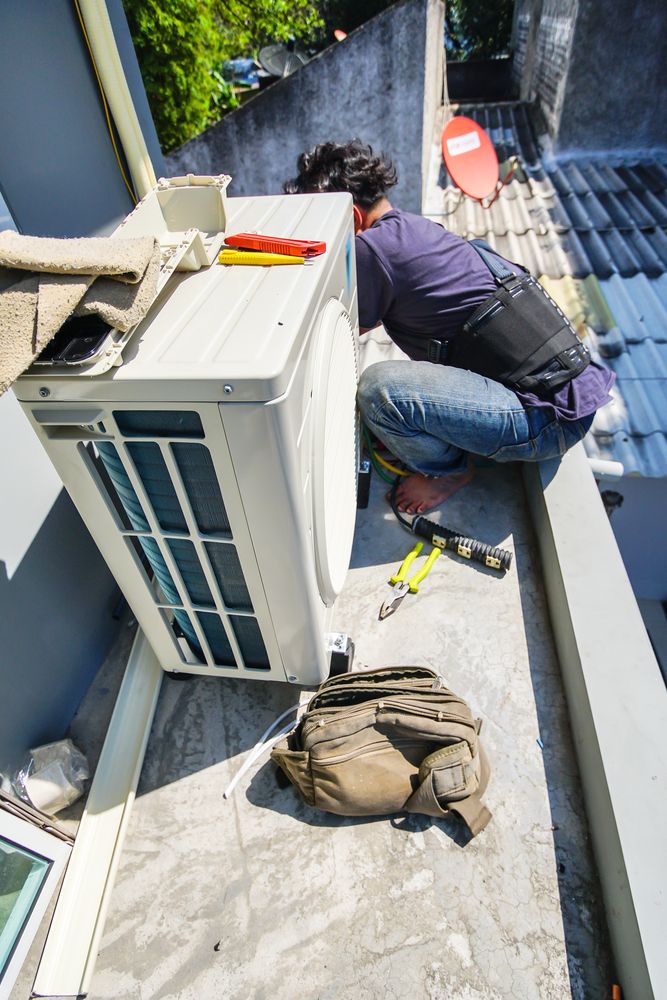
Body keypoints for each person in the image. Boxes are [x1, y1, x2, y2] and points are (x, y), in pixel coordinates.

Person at [284, 140, 615, 514]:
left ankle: (449, 473)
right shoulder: (414, 229)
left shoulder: (371, 248)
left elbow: (334, 330)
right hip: (566, 397)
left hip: (545, 420)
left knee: (381, 392)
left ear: (354, 219)